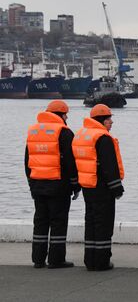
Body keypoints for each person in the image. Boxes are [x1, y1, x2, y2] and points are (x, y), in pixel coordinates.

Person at [25, 100, 80, 269]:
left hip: (37, 184)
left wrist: (31, 183)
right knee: (58, 221)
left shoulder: (33, 131)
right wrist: (75, 185)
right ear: (62, 115)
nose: (67, 118)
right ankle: (56, 260)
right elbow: (71, 162)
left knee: (40, 221)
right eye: (66, 115)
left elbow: (27, 161)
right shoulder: (64, 132)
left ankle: (38, 259)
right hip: (58, 185)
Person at [72, 104, 124, 271]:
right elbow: (109, 165)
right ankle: (101, 262)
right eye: (109, 119)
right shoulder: (102, 137)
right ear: (102, 119)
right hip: (102, 187)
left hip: (88, 185)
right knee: (104, 224)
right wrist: (117, 187)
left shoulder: (81, 135)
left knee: (91, 222)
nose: (112, 122)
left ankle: (90, 260)